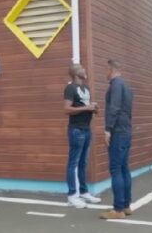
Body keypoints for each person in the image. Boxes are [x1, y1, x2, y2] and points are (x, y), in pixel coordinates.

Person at [63, 64, 101, 208]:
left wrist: (94, 108)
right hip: (76, 130)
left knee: (83, 163)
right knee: (73, 163)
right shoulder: (70, 88)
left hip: (86, 129)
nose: (85, 71)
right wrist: (87, 107)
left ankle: (84, 192)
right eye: (82, 69)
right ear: (75, 73)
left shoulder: (86, 89)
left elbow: (86, 108)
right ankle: (72, 195)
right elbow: (66, 109)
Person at [100, 59, 134, 220]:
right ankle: (126, 206)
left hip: (118, 132)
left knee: (115, 169)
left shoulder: (116, 85)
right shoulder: (126, 86)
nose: (104, 73)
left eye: (105, 70)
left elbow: (114, 107)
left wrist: (108, 129)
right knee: (124, 168)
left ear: (111, 69)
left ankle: (118, 210)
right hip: (126, 130)